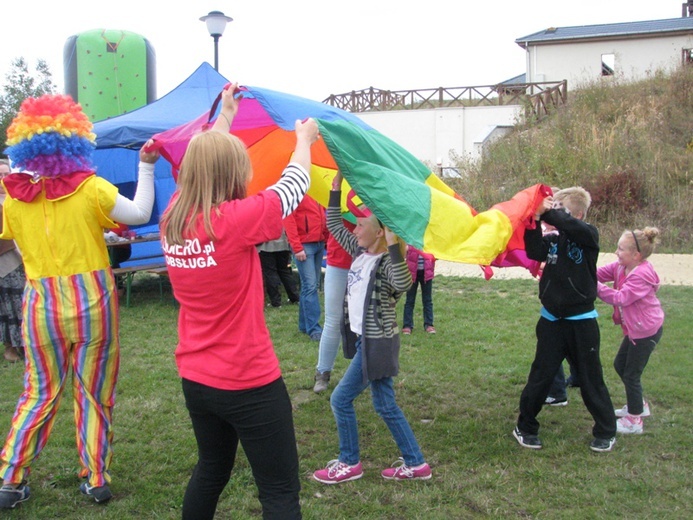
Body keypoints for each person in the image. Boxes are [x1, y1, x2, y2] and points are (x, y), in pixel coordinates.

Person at [159, 83, 318, 519]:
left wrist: (226, 115)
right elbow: (294, 185)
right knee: (280, 491)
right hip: (248, 381)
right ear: (233, 175)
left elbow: (203, 157)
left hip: (197, 377)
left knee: (211, 468)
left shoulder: (173, 216)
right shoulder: (233, 221)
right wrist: (302, 140)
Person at [0, 94, 157, 509]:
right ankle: (96, 476)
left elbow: (6, 242)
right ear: (75, 139)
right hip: (93, 303)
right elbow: (140, 213)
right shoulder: (91, 188)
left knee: (39, 392)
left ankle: (11, 479)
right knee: (94, 391)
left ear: (25, 143)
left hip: (40, 305)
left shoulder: (13, 197)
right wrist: (146, 165)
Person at [313, 171, 432, 484]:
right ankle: (416, 464)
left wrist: (394, 246)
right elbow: (335, 225)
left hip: (377, 344)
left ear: (380, 233)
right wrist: (336, 190)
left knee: (340, 399)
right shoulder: (361, 252)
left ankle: (349, 462)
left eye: (363, 224)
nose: (357, 227)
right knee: (384, 403)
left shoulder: (385, 264)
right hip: (370, 339)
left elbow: (403, 284)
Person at [512, 187, 617, 453]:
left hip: (582, 322)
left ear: (578, 214)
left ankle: (606, 431)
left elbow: (571, 226)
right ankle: (525, 427)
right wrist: (534, 220)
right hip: (551, 322)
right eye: (554, 207)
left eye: (562, 208)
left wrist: (548, 210)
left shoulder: (588, 235)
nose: (555, 213)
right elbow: (534, 250)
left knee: (591, 378)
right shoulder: (554, 239)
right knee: (541, 376)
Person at [597, 227, 664, 435]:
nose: (616, 252)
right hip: (636, 331)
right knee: (620, 364)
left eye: (621, 249)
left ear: (636, 255)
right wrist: (580, 270)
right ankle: (639, 406)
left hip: (647, 332)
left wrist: (592, 286)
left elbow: (620, 298)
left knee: (632, 374)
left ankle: (635, 421)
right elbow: (598, 273)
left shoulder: (641, 275)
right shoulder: (621, 266)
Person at [313, 221, 354, 393]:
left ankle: (366, 373)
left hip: (369, 259)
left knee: (366, 321)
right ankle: (322, 372)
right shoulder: (335, 195)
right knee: (333, 320)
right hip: (338, 262)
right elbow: (329, 222)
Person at [283, 194, 326, 341]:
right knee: (310, 286)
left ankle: (305, 325)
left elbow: (322, 215)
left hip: (317, 242)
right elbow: (288, 219)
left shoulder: (315, 191)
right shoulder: (297, 193)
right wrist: (297, 246)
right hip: (306, 245)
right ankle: (314, 329)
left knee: (309, 286)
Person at [0, 159, 25, 363]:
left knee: (19, 302)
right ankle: (9, 346)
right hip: (4, 257)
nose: (2, 178)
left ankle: (25, 344)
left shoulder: (17, 199)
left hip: (16, 258)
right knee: (4, 305)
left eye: (5, 174)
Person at [257, 229, 300, 307]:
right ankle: (295, 297)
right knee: (285, 272)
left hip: (266, 245)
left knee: (270, 273)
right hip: (283, 243)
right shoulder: (280, 215)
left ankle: (276, 302)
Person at [401, 246, 436, 335]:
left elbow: (437, 254)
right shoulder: (411, 240)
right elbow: (403, 253)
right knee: (410, 300)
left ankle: (429, 324)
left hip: (427, 274)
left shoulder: (429, 241)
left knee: (427, 300)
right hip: (412, 274)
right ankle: (407, 325)